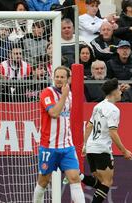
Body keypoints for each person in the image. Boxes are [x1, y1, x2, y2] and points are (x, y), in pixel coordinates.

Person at [33, 66, 85, 203]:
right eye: (57, 76)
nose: (59, 80)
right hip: (49, 147)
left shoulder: (71, 95)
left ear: (69, 79)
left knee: (75, 178)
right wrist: (63, 96)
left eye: (62, 77)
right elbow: (54, 113)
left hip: (67, 146)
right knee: (43, 182)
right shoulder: (47, 93)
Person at [80, 78, 132, 203]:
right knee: (107, 182)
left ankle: (79, 175)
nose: (121, 92)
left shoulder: (98, 106)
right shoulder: (114, 110)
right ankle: (78, 175)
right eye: (119, 90)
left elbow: (89, 126)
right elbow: (113, 132)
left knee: (101, 183)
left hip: (91, 147)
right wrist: (124, 151)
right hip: (102, 148)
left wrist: (84, 144)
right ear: (114, 92)